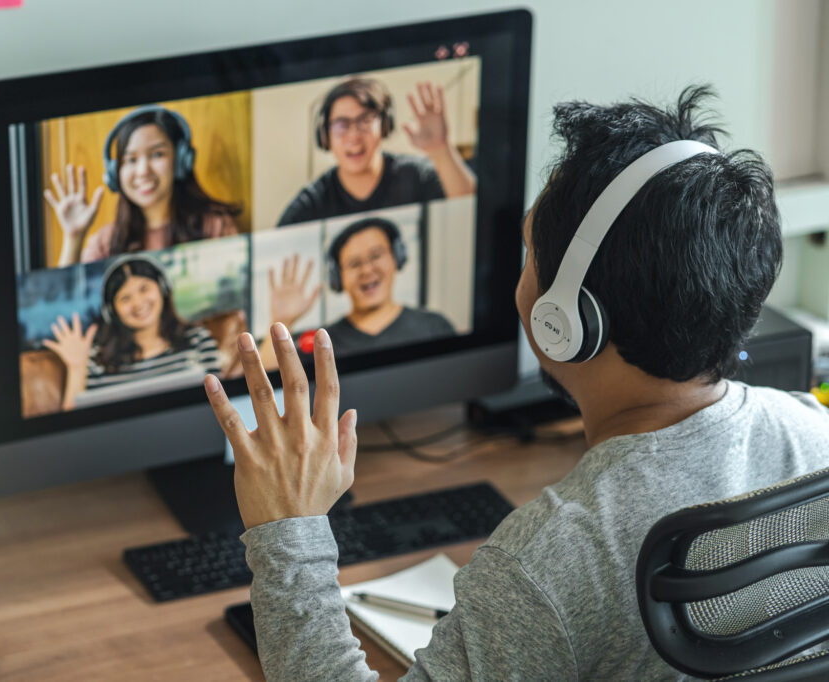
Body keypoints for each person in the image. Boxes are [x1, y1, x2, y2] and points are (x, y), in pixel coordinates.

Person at [200, 85, 829, 680]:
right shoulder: (816, 434)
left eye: (529, 252)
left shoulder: (552, 560)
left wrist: (291, 526)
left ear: (568, 322)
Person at [44, 106, 239, 267]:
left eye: (157, 154)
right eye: (131, 159)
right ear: (115, 173)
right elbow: (71, 307)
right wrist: (74, 238)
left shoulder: (216, 227)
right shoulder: (105, 243)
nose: (143, 170)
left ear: (180, 161)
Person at [258, 216, 455, 369]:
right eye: (354, 264)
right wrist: (282, 321)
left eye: (376, 255)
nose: (367, 270)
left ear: (397, 258)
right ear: (338, 278)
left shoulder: (434, 326)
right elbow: (267, 386)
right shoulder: (321, 342)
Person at [276, 78, 476, 227]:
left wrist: (441, 150)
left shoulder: (415, 174)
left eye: (365, 121)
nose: (354, 136)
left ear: (385, 125)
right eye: (341, 125)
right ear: (325, 135)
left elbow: (473, 209)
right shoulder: (313, 202)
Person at [45, 254, 221, 410]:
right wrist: (77, 367)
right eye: (125, 298)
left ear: (163, 289)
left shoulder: (197, 339)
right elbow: (74, 425)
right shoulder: (97, 359)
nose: (138, 303)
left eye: (144, 289)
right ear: (112, 311)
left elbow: (222, 403)